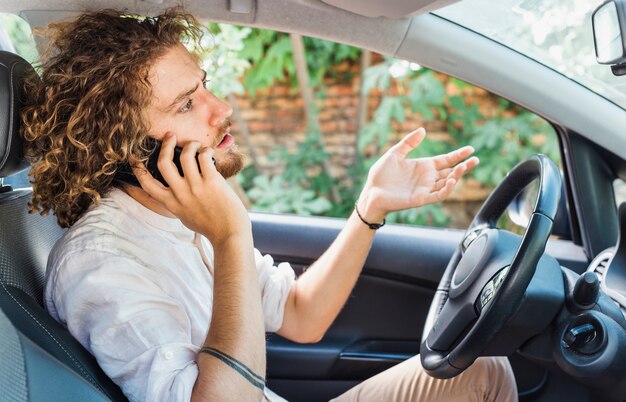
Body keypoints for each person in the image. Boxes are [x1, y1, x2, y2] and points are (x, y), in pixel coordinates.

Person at [21, 7, 517, 402]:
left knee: (483, 370)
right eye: (187, 104)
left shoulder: (182, 215)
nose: (223, 109)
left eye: (205, 85)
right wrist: (231, 235)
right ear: (126, 146)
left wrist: (371, 205)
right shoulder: (100, 263)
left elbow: (303, 315)